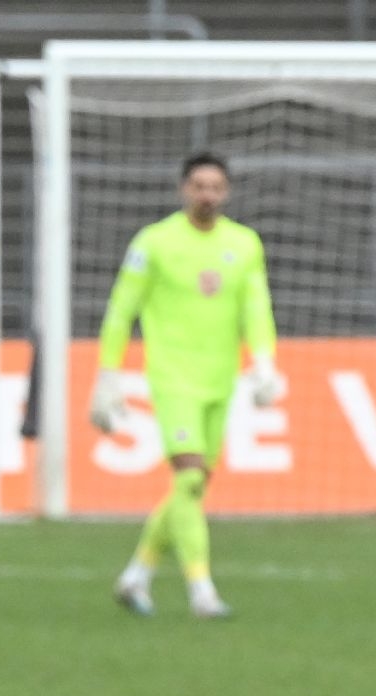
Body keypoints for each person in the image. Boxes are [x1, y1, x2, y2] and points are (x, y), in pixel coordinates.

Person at [93, 150, 279, 619]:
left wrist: (264, 362)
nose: (207, 195)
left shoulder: (244, 244)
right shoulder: (154, 242)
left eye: (215, 187)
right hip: (172, 378)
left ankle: (137, 575)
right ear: (183, 189)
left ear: (227, 192)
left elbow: (256, 308)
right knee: (191, 477)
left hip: (220, 380)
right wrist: (108, 374)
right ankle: (202, 592)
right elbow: (121, 309)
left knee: (189, 489)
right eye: (199, 186)